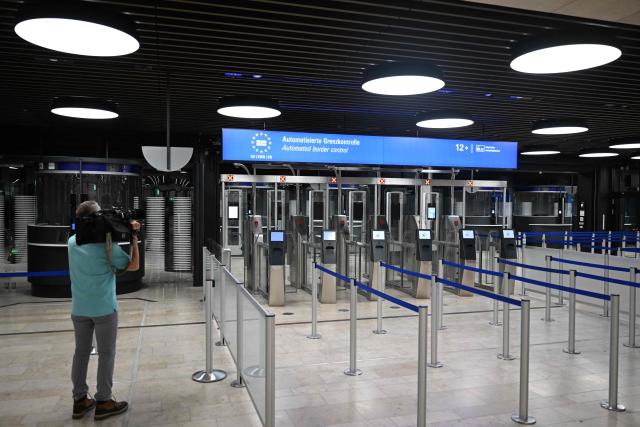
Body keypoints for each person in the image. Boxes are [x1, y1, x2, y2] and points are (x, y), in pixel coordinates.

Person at [68, 201, 140, 420]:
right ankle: (104, 400)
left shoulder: (72, 242)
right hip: (104, 309)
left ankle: (80, 400)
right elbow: (133, 266)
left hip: (79, 307)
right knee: (106, 354)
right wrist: (134, 237)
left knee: (81, 353)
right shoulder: (107, 245)